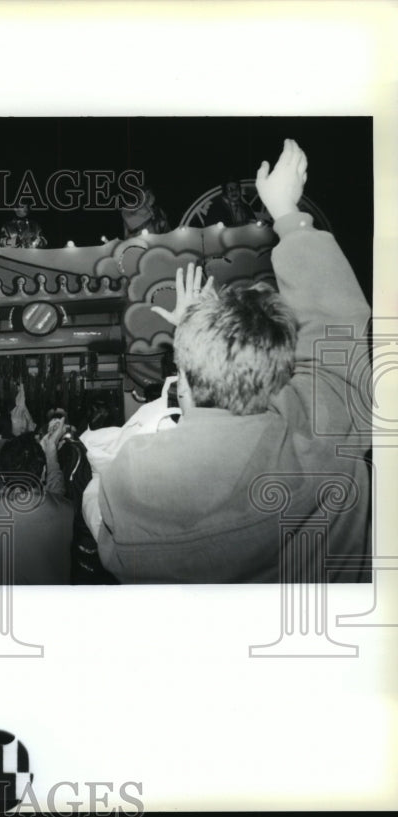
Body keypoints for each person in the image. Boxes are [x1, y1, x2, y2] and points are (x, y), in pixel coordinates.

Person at [97, 139, 371, 583]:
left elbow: (104, 534)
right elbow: (337, 332)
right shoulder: (322, 437)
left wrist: (190, 332)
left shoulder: (133, 478)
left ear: (182, 379)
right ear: (275, 373)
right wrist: (291, 217)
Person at [0, 420, 74, 584]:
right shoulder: (65, 512)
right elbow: (56, 493)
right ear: (43, 473)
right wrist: (50, 450)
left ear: (2, 473)